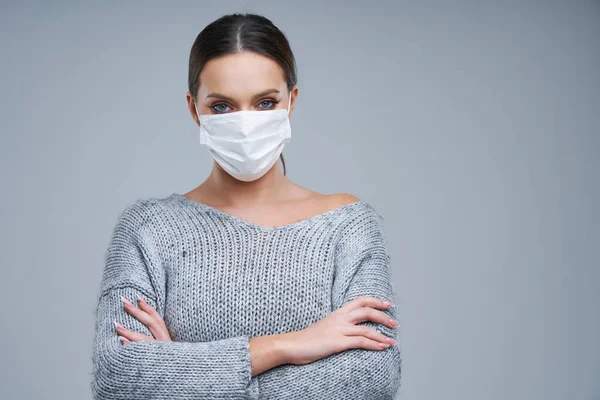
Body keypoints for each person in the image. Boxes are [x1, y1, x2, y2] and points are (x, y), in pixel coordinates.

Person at [91, 12, 402, 400]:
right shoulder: (147, 230)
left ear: (292, 101)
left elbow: (371, 378)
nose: (245, 124)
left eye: (265, 102)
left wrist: (181, 370)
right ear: (194, 109)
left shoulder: (348, 226)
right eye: (222, 106)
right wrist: (288, 345)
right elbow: (117, 377)